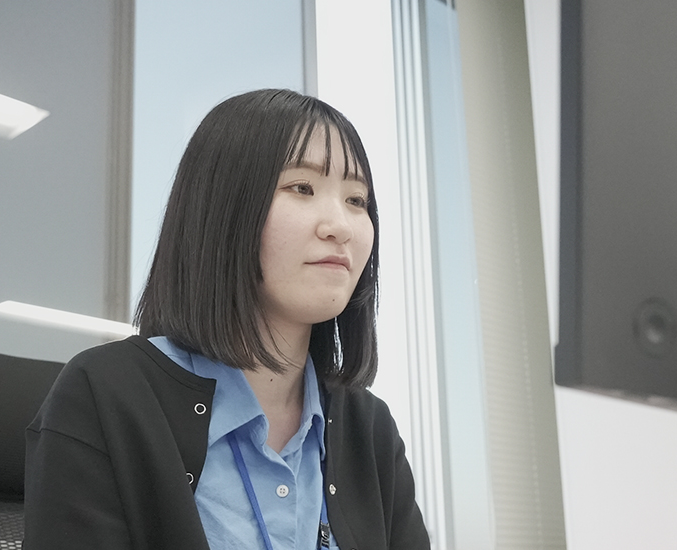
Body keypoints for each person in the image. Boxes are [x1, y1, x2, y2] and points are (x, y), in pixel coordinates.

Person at [24, 89, 430, 550]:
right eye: (302, 188)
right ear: (223, 207)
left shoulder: (368, 427)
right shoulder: (106, 393)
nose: (340, 226)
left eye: (357, 199)